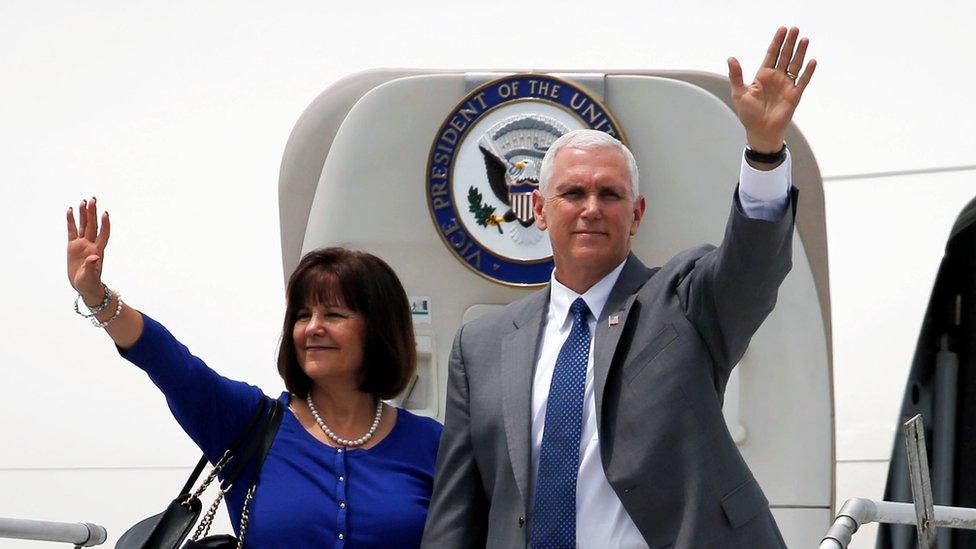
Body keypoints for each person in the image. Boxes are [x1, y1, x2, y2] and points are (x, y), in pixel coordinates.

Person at [422, 26, 815, 549]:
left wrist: (764, 153)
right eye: (573, 193)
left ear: (636, 215)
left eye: (610, 194)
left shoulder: (682, 301)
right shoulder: (483, 345)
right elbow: (458, 510)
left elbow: (752, 270)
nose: (591, 208)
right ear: (540, 211)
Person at [65, 205, 442, 548]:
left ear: (379, 329)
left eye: (334, 315)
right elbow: (171, 363)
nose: (312, 328)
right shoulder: (248, 422)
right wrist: (97, 296)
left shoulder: (433, 445)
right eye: (302, 315)